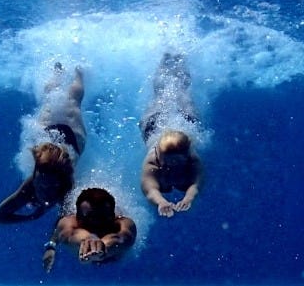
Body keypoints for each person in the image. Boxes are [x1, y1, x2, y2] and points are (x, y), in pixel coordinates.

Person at [0, 63, 86, 223]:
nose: (45, 192)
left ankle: (78, 73)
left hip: (67, 136)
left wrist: (51, 243)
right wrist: (30, 217)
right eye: (42, 186)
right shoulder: (30, 186)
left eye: (50, 187)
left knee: (65, 101)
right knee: (61, 100)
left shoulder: (67, 189)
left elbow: (63, 223)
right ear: (35, 177)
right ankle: (62, 73)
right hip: (72, 138)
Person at [139, 53, 203, 217]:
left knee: (182, 90)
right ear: (160, 155)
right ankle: (165, 58)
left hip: (182, 119)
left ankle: (182, 59)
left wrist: (188, 198)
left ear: (186, 156)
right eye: (169, 161)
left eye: (177, 161)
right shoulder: (153, 161)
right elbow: (149, 188)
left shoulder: (192, 159)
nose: (172, 166)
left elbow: (196, 183)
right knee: (161, 93)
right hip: (154, 123)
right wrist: (161, 201)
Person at [42, 187, 136, 272]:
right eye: (90, 219)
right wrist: (51, 246)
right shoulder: (68, 222)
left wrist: (104, 246)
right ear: (77, 218)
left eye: (102, 218)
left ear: (113, 217)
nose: (97, 225)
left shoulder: (124, 223)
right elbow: (67, 233)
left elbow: (121, 238)